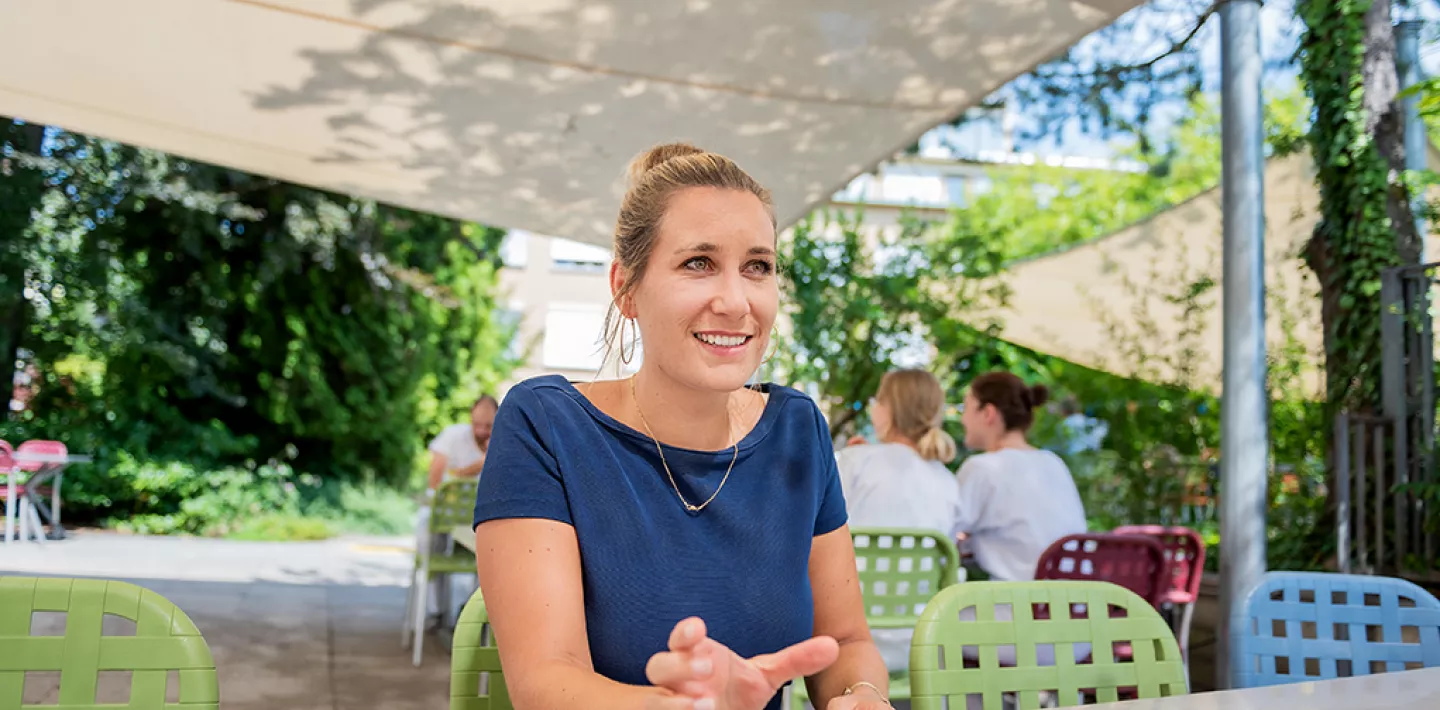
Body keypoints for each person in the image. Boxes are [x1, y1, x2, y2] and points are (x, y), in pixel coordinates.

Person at [472, 143, 892, 710]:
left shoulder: (799, 430)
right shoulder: (546, 425)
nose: (736, 300)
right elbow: (545, 681)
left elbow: (844, 641)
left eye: (757, 267)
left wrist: (860, 696)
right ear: (626, 287)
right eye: (698, 263)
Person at [836, 369, 961, 675]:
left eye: (877, 400)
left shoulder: (854, 462)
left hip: (849, 640)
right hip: (922, 639)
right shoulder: (946, 480)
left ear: (888, 409)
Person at [954, 371, 1086, 582]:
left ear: (988, 413)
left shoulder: (982, 467)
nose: (963, 419)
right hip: (1073, 606)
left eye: (966, 408)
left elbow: (943, 533)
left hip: (1018, 607)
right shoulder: (1053, 463)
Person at [414, 395, 497, 621]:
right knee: (429, 534)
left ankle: (474, 613)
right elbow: (436, 481)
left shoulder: (503, 445)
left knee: (493, 547)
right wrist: (478, 464)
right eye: (477, 424)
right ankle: (435, 610)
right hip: (445, 516)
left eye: (488, 426)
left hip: (478, 523)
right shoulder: (453, 436)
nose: (481, 431)